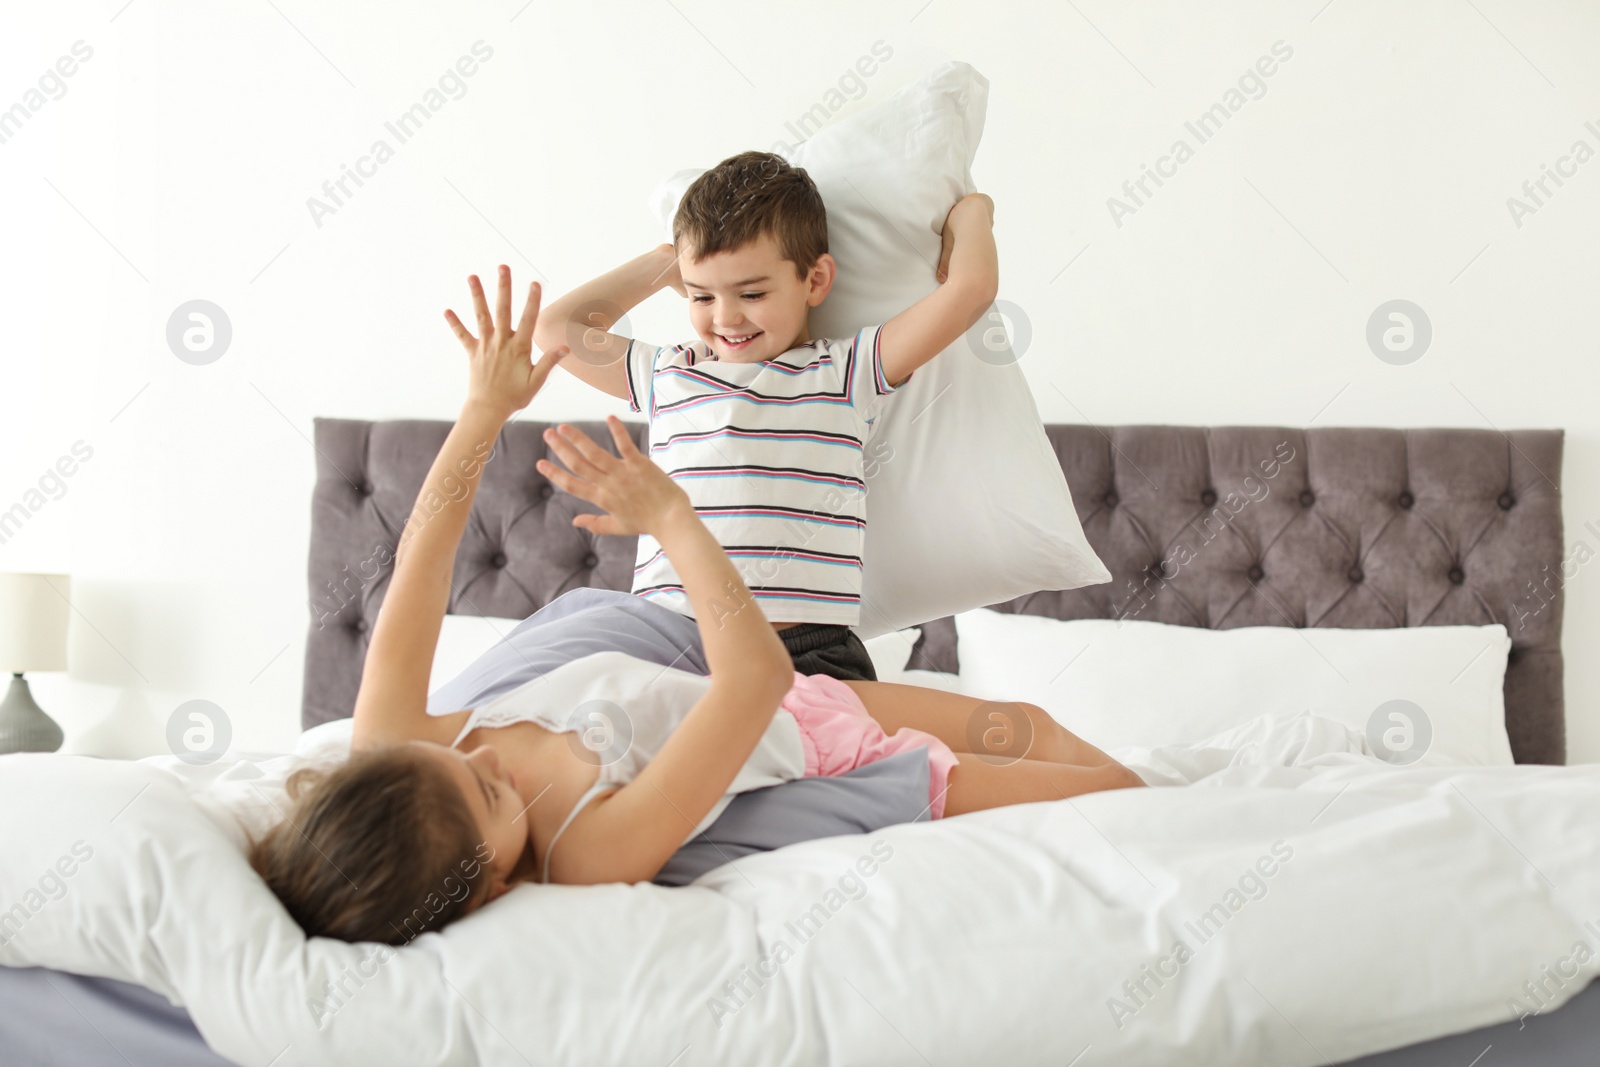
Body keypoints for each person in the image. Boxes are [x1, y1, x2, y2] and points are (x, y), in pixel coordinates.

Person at [249, 267, 1142, 946]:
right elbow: (751, 682)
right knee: (1100, 801)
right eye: (490, 796)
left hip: (796, 701)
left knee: (1028, 723)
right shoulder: (588, 851)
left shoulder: (399, 748)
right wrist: (673, 514)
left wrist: (483, 409)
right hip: (807, 743)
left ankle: (1174, 785)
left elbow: (421, 562)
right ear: (487, 889)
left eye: (465, 760)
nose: (493, 762)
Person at [531, 151, 999, 681]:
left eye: (751, 293)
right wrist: (665, 263)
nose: (726, 317)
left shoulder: (846, 372)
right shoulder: (671, 372)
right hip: (673, 642)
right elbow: (555, 331)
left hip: (807, 654)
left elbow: (972, 289)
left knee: (866, 756)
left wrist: (971, 211)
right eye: (702, 294)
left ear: (816, 281)